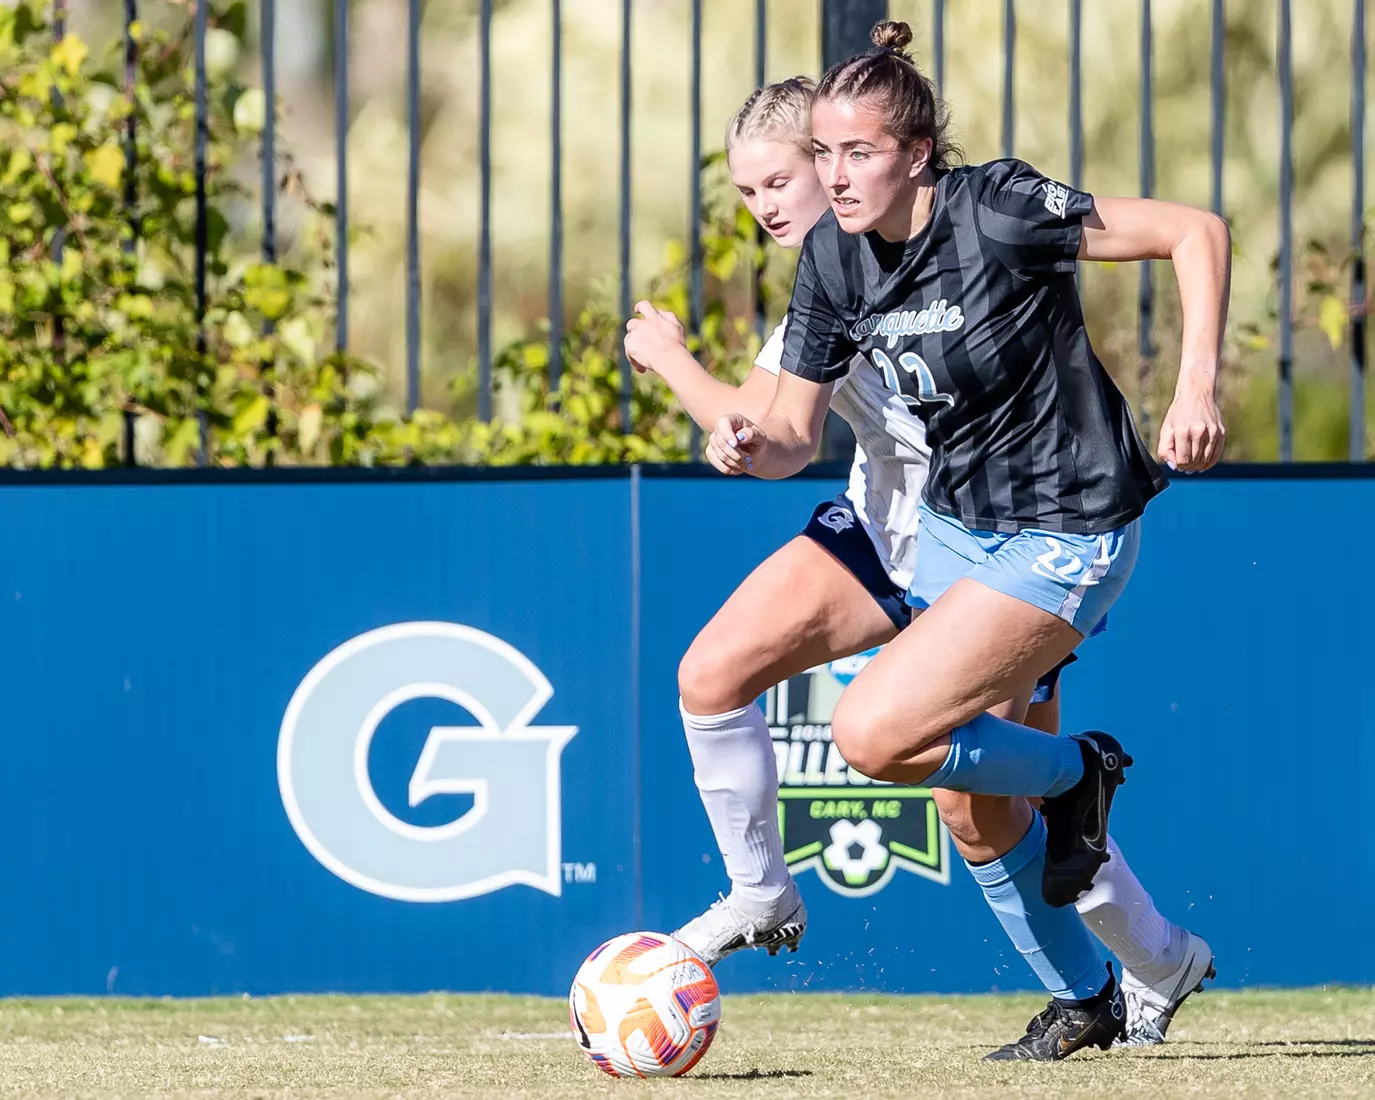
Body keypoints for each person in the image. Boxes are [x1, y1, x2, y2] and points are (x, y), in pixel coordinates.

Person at [628, 69, 1218, 1056]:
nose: (814, 182)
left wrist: (1193, 385)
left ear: (914, 153)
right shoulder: (831, 260)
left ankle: (1100, 838)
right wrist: (732, 428)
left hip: (1056, 527)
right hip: (925, 528)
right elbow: (781, 434)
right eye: (814, 157)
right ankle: (1115, 974)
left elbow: (1193, 230)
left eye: (836, 158)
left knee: (912, 757)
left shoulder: (994, 212)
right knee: (953, 791)